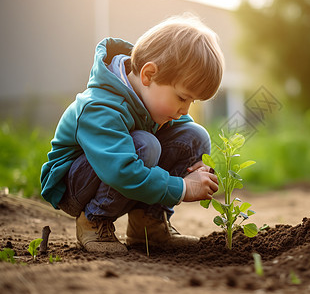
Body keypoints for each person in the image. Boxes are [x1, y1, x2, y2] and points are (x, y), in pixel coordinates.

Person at [40, 14, 224, 254]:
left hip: (120, 169)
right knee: (146, 144)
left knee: (194, 136)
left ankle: (147, 224)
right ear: (148, 75)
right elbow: (121, 170)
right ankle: (95, 220)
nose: (184, 110)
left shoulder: (149, 97)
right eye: (182, 97)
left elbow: (185, 136)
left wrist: (197, 162)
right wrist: (182, 187)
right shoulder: (101, 107)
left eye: (192, 100)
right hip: (75, 185)